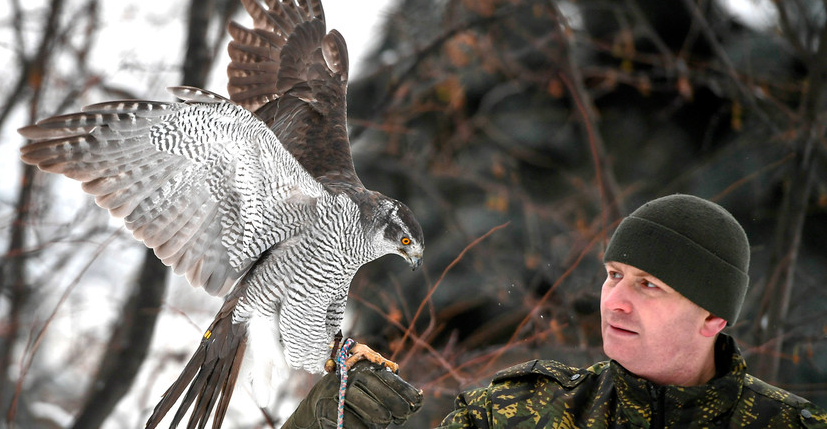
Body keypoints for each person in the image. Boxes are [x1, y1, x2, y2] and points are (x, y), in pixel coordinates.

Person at [281, 194, 827, 428]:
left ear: (713, 319)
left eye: (648, 285)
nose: (615, 300)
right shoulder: (515, 414)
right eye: (613, 275)